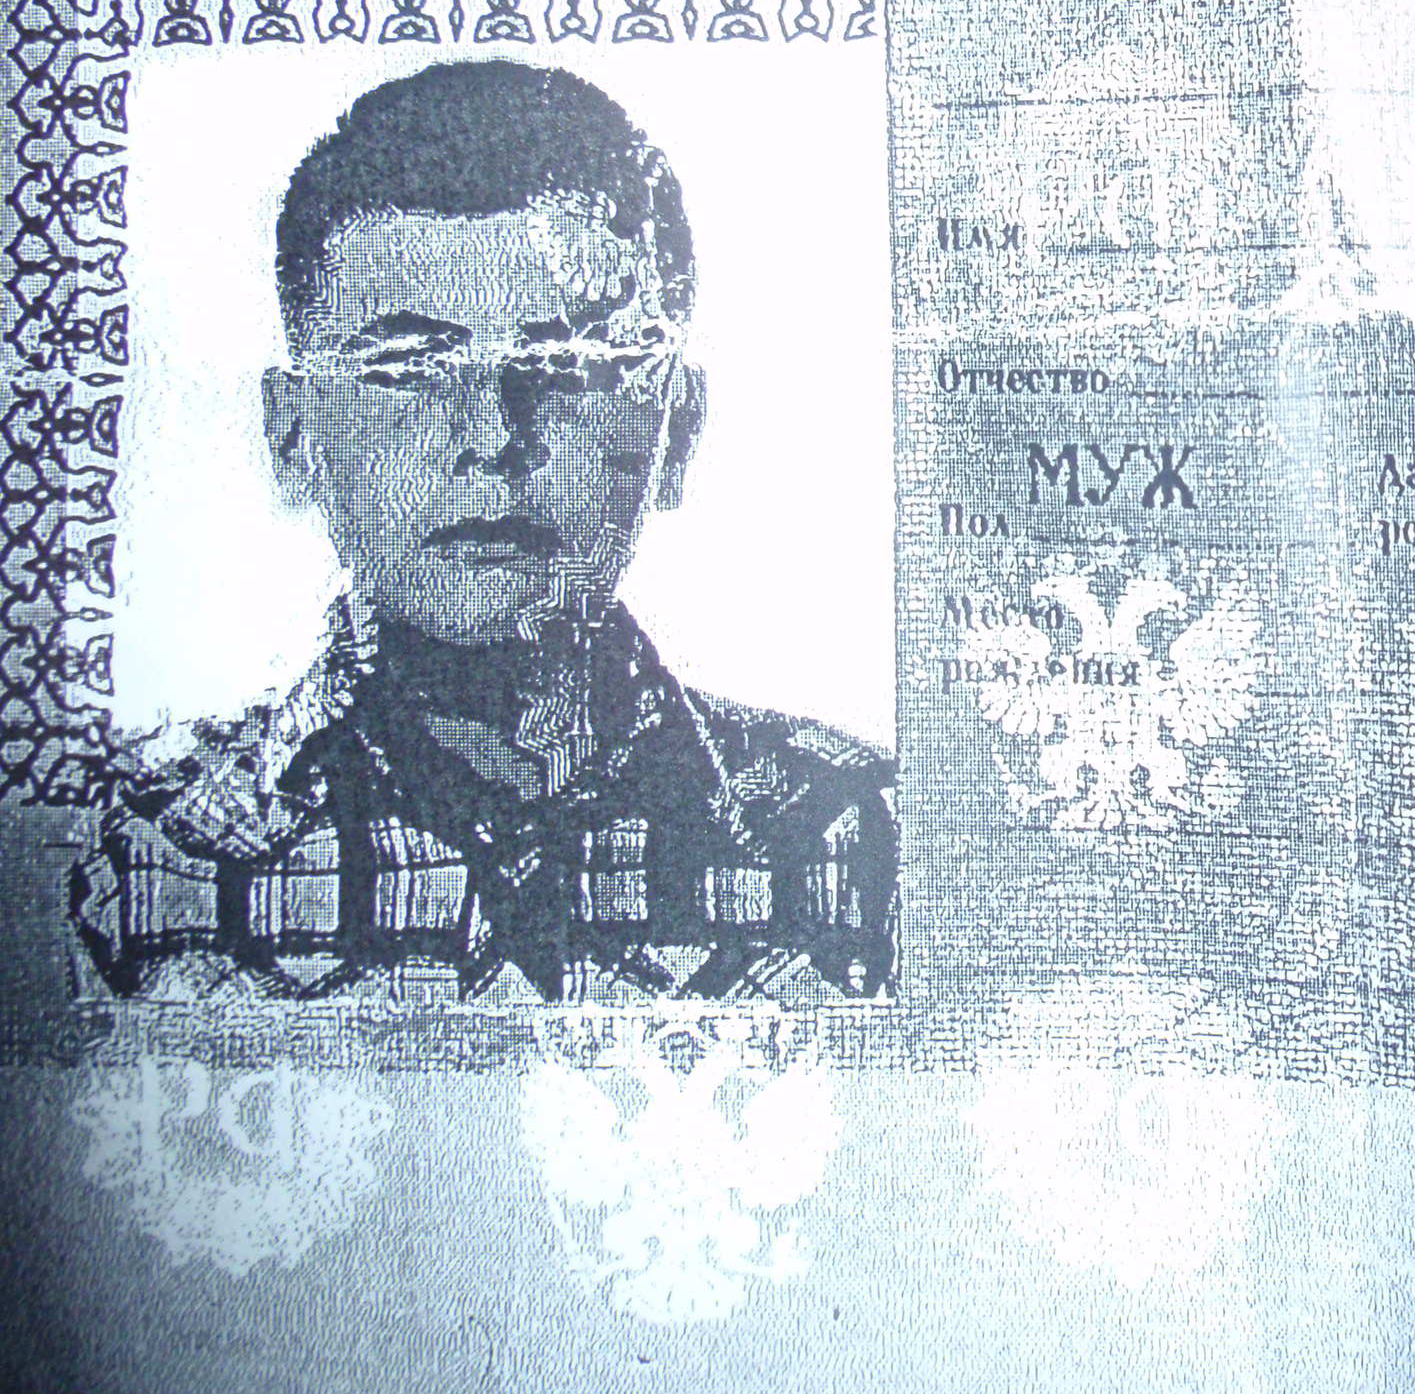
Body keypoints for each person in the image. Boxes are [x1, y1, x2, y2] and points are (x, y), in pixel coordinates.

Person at [71, 59, 895, 1001]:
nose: (494, 436)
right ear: (294, 434)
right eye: (406, 366)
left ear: (674, 431)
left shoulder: (862, 832)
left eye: (567, 365)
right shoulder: (135, 849)